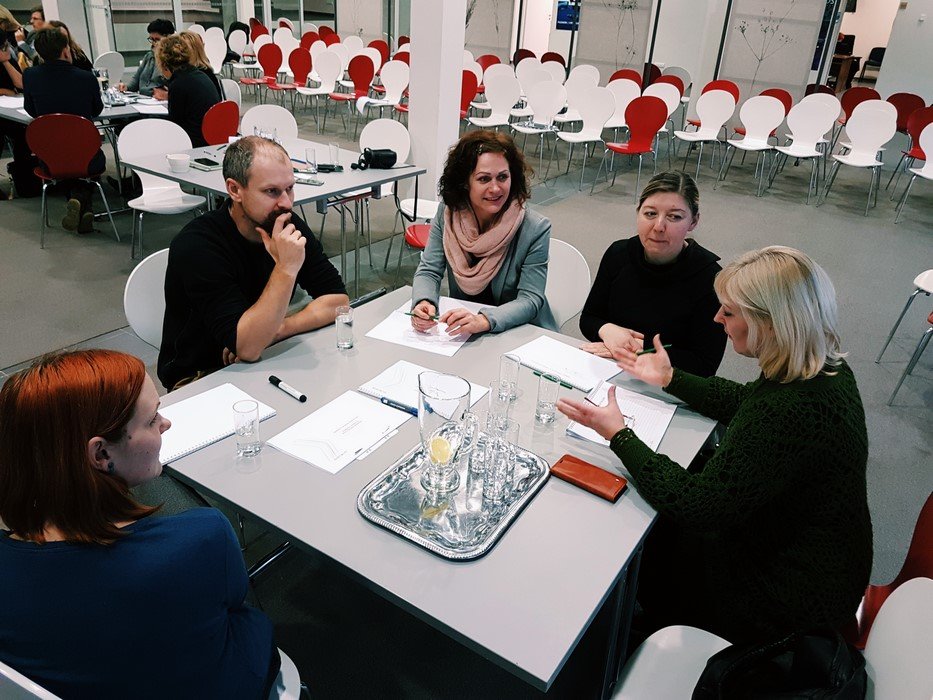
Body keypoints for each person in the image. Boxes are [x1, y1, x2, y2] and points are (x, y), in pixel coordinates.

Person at [557, 246, 872, 644]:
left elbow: (697, 506)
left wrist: (619, 435)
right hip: (819, 561)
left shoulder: (788, 410)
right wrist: (670, 378)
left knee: (644, 527)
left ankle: (630, 635)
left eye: (730, 312)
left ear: (769, 323)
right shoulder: (822, 369)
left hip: (789, 598)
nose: (717, 318)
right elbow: (747, 401)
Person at [0, 349, 280, 698]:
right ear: (101, 454)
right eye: (151, 420)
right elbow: (237, 606)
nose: (166, 423)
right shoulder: (199, 539)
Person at [158, 136, 349, 390]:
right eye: (272, 191)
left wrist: (279, 329)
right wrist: (285, 268)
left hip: (265, 356)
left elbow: (338, 302)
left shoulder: (285, 224)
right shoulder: (198, 245)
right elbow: (247, 347)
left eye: (290, 188)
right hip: (201, 375)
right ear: (235, 190)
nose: (286, 203)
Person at [579, 171, 726, 377]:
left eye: (674, 217)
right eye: (650, 214)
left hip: (669, 383)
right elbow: (589, 318)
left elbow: (704, 365)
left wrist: (640, 349)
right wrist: (607, 329)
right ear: (638, 212)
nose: (658, 226)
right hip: (611, 369)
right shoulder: (619, 254)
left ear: (693, 222)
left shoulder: (710, 277)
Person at [410, 130, 556, 335]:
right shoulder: (448, 214)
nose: (495, 188)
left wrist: (485, 320)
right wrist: (424, 301)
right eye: (484, 179)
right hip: (465, 331)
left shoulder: (535, 228)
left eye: (503, 177)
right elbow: (429, 270)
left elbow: (530, 300)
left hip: (519, 332)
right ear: (464, 182)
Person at [23, 27, 103, 232]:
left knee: (63, 162)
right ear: (65, 49)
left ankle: (77, 202)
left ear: (40, 53)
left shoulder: (30, 76)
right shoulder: (86, 77)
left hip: (50, 156)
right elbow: (96, 110)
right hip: (87, 154)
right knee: (87, 161)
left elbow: (31, 110)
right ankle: (83, 202)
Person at [154, 32, 221, 147]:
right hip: (211, 136)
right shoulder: (200, 74)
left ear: (163, 64)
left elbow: (176, 125)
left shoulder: (178, 84)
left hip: (194, 141)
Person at [117, 18, 172, 96]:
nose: (153, 43)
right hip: (144, 98)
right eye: (151, 39)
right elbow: (135, 82)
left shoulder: (172, 59)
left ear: (168, 39)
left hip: (159, 99)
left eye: (157, 40)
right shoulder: (149, 56)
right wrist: (125, 87)